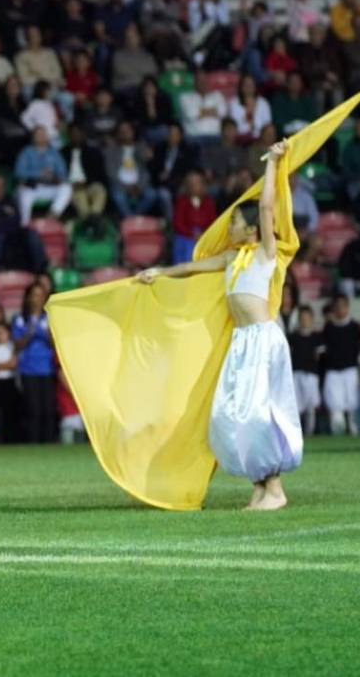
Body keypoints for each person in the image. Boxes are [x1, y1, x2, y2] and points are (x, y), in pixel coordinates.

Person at [136, 141, 302, 509]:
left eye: (235, 222)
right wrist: (161, 272)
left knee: (257, 413)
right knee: (231, 413)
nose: (230, 227)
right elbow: (193, 268)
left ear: (253, 229)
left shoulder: (264, 254)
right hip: (242, 341)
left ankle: (275, 489)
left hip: (262, 338)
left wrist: (273, 163)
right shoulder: (232, 257)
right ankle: (260, 488)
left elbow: (266, 205)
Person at [12, 285, 57, 444]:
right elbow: (17, 346)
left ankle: (50, 443)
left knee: (48, 409)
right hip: (28, 369)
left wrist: (47, 335)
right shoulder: (20, 319)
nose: (37, 299)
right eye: (34, 295)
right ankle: (33, 443)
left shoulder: (50, 318)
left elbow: (56, 344)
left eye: (40, 295)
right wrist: (29, 333)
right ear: (28, 298)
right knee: (33, 409)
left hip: (47, 368)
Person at [320, 293, 360, 436]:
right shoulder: (328, 327)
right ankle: (337, 432)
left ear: (348, 307)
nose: (340, 310)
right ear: (333, 309)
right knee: (335, 405)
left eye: (343, 306)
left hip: (350, 369)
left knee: (352, 403)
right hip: (333, 371)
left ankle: (353, 428)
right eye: (337, 307)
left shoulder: (355, 327)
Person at [287, 306, 323, 437]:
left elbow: (319, 357)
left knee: (311, 406)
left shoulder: (317, 337)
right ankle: (296, 434)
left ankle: (310, 432)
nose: (304, 320)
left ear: (312, 319)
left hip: (311, 375)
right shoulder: (292, 337)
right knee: (296, 407)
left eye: (307, 318)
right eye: (302, 318)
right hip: (296, 374)